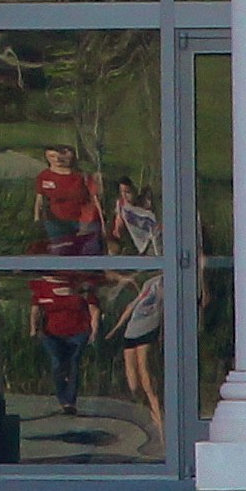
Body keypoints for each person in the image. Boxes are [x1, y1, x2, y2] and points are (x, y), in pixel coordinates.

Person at [107, 180, 167, 444]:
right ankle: (149, 414)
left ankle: (162, 426)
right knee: (133, 381)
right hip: (131, 321)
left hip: (146, 319)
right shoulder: (139, 273)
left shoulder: (153, 233)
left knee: (145, 375)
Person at [27, 265, 99, 418]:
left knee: (74, 362)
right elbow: (36, 309)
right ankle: (62, 396)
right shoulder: (41, 286)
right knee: (57, 362)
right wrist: (33, 328)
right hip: (51, 333)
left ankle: (69, 402)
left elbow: (94, 309)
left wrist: (94, 330)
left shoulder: (81, 285)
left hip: (78, 332)